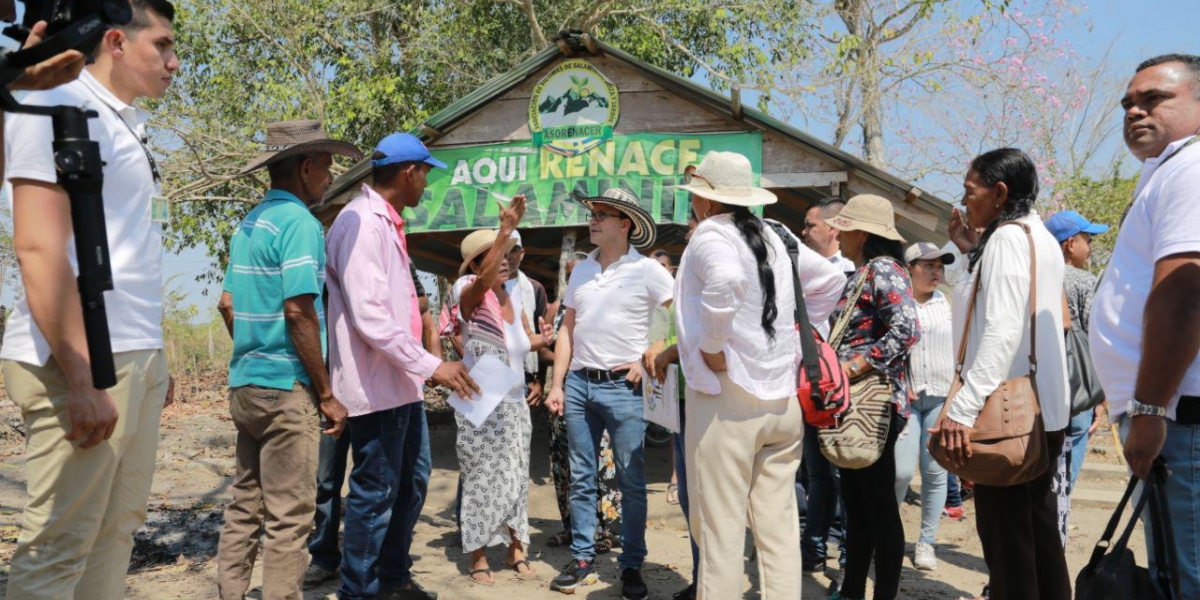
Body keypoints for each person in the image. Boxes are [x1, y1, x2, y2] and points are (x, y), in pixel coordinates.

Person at [0, 3, 179, 597]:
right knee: (57, 548)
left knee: (116, 530)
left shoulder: (123, 119)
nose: (173, 62)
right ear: (116, 42)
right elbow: (38, 246)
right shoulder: (52, 99)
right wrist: (80, 377)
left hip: (132, 353)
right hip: (78, 359)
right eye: (162, 45)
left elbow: (128, 251)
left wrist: (156, 356)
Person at [673, 151, 844, 600]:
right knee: (779, 526)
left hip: (728, 401)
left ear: (707, 200)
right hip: (781, 399)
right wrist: (783, 342)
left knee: (720, 529)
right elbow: (829, 282)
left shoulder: (711, 234)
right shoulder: (777, 234)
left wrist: (713, 347)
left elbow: (726, 280)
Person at [325, 133, 478, 600]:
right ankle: (361, 590)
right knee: (374, 495)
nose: (427, 185)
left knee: (410, 483)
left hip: (401, 384)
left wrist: (422, 368)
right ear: (408, 171)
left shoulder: (387, 223)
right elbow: (370, 316)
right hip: (375, 388)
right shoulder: (360, 223)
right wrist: (434, 365)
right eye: (426, 174)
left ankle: (392, 578)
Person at [213, 120, 358, 600]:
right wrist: (325, 392)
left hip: (246, 385)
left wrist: (253, 351)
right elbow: (299, 310)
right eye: (327, 168)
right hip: (285, 390)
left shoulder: (249, 224)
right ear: (306, 165)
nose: (329, 178)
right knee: (291, 517)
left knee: (244, 507)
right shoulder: (299, 224)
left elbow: (228, 304)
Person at [934, 148, 1070, 600]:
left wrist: (963, 409)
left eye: (971, 192)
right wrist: (972, 250)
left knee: (1009, 544)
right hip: (1039, 409)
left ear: (1000, 192)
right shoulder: (1037, 236)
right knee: (1037, 536)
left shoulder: (1011, 239)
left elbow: (1002, 330)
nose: (965, 200)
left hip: (1007, 410)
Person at [1090, 53, 1200, 598]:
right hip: (1171, 415)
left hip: (1182, 418)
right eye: (1128, 103)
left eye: (1154, 98)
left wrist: (1152, 408)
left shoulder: (1194, 168)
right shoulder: (1168, 170)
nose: (1135, 110)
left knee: (1185, 580)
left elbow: (1183, 291)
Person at [544, 187, 674, 598]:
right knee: (582, 478)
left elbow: (675, 313)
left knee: (631, 480)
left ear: (626, 224)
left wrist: (647, 357)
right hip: (580, 385)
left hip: (624, 387)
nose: (592, 220)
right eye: (592, 213)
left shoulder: (649, 270)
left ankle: (631, 564)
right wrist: (557, 384)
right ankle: (583, 556)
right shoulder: (581, 269)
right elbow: (567, 329)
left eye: (602, 214)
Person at [305, 264, 442, 587]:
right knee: (328, 479)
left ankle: (389, 559)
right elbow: (311, 313)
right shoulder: (329, 255)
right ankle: (325, 556)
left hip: (393, 383)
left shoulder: (400, 258)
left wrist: (396, 300)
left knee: (413, 476)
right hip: (338, 382)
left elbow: (420, 305)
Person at [450, 197, 554, 585]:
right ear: (478, 264)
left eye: (510, 253)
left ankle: (516, 548)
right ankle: (478, 554)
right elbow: (478, 288)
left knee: (515, 477)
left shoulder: (511, 295)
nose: (506, 260)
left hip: (512, 403)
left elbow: (523, 343)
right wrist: (505, 229)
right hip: (480, 401)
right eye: (497, 254)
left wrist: (545, 339)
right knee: (480, 478)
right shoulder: (469, 289)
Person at [824, 193, 920, 600]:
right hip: (859, 404)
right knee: (858, 503)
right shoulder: (865, 272)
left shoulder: (883, 270)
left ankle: (883, 593)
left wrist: (853, 366)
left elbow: (907, 329)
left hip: (874, 402)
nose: (838, 235)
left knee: (877, 504)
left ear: (861, 232)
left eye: (844, 227)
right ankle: (852, 591)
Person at [541, 253, 625, 554]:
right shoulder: (557, 309)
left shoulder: (605, 303)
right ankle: (572, 527)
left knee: (603, 464)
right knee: (565, 465)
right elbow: (544, 349)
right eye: (570, 274)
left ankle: (607, 530)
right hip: (563, 395)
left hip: (595, 393)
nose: (576, 279)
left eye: (580, 272)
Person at [893, 242, 956, 572]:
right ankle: (887, 536)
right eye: (928, 265)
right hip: (907, 400)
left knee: (935, 473)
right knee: (901, 471)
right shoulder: (899, 304)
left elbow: (961, 349)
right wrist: (900, 381)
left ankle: (926, 542)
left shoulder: (947, 304)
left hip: (941, 399)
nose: (936, 272)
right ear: (909, 269)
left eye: (940, 266)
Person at [798, 198, 853, 574]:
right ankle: (813, 548)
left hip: (843, 389)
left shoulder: (854, 274)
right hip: (808, 387)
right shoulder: (798, 273)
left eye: (810, 225)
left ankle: (849, 552)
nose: (803, 232)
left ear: (833, 229)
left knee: (844, 474)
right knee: (816, 475)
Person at [1045, 210, 1109, 490]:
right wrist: (1102, 396)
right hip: (1078, 387)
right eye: (1087, 238)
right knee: (1066, 472)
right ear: (1070, 243)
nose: (1090, 246)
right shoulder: (1085, 282)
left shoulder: (1036, 277)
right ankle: (1058, 528)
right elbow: (1097, 335)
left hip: (1041, 387)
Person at [504, 230, 549, 400]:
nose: (508, 255)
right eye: (502, 248)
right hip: (488, 374)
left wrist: (540, 382)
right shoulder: (478, 288)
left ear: (521, 253)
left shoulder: (534, 289)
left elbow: (541, 337)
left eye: (513, 249)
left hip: (525, 378)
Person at [802, 197, 858, 276]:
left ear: (832, 227)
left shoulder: (851, 267)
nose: (803, 232)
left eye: (810, 225)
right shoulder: (802, 264)